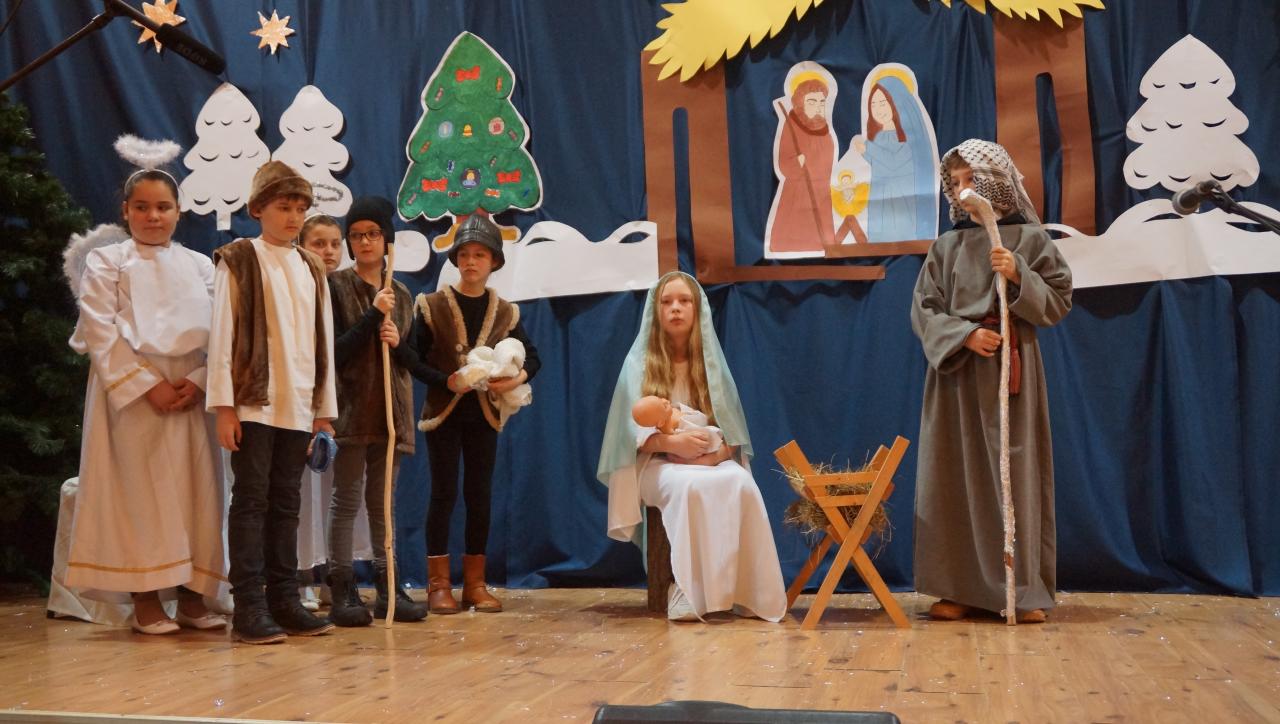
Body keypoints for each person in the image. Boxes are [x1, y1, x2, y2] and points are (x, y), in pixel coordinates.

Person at [911, 139, 1073, 623]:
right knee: (955, 475)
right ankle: (958, 586)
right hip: (959, 374)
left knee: (1013, 474)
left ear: (995, 182)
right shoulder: (946, 247)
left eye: (971, 180)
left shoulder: (1031, 240)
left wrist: (1019, 274)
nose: (962, 190)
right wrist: (964, 335)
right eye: (955, 182)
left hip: (1011, 369)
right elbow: (924, 309)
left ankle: (1019, 589)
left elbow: (1059, 299)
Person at [65, 166, 227, 634]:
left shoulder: (200, 264)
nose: (153, 216)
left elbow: (223, 328)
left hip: (190, 391)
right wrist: (147, 384)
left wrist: (200, 379)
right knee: (141, 494)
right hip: (133, 393)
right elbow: (99, 327)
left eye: (162, 207)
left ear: (178, 212)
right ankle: (146, 599)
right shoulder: (108, 261)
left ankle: (194, 596)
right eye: (142, 207)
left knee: (197, 493)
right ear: (125, 211)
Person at [598, 271, 786, 622]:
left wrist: (714, 456)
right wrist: (672, 442)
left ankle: (748, 591)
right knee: (688, 487)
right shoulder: (638, 365)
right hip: (654, 463)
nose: (675, 308)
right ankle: (687, 589)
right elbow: (627, 435)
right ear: (655, 311)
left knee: (741, 483)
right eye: (667, 302)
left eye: (684, 301)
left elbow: (732, 432)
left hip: (707, 458)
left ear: (698, 309)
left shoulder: (710, 366)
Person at [207, 160, 338, 644]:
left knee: (287, 502)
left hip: (298, 405)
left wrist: (323, 410)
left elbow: (323, 340)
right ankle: (249, 605)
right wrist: (225, 406)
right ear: (258, 208)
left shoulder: (310, 267)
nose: (294, 217)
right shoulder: (239, 258)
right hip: (253, 404)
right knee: (251, 500)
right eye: (284, 207)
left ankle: (285, 598)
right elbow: (223, 332)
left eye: (301, 208)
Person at [412, 213, 541, 614]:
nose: (471, 261)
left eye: (480, 255)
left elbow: (533, 358)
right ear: (455, 259)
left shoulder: (505, 312)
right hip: (444, 413)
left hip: (484, 415)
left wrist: (515, 377)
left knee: (479, 495)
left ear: (494, 261)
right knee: (443, 493)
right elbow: (412, 358)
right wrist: (446, 381)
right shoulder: (431, 305)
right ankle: (438, 585)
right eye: (464, 254)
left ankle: (475, 583)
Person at [325, 196, 428, 625]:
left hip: (391, 414)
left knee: (383, 503)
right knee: (346, 500)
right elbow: (333, 352)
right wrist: (371, 317)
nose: (364, 242)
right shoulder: (335, 286)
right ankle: (342, 587)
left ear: (386, 239)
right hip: (352, 409)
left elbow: (412, 360)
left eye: (372, 233)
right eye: (356, 235)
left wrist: (397, 342)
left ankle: (389, 586)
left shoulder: (402, 294)